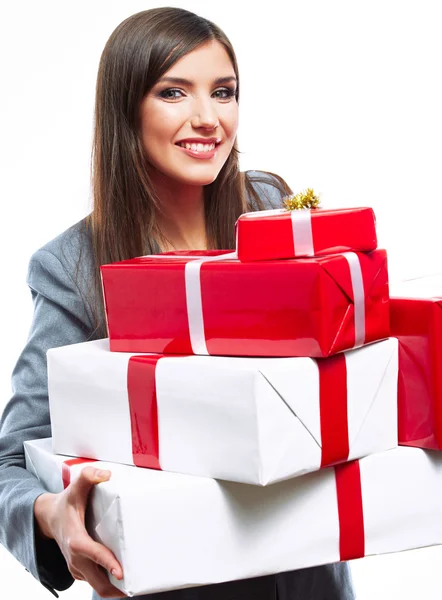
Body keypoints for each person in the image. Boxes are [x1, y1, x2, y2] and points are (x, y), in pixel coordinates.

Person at [0, 7, 355, 600]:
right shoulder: (76, 265)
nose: (208, 119)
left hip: (307, 576)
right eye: (173, 92)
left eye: (223, 92)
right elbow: (11, 457)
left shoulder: (269, 204)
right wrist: (51, 514)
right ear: (126, 109)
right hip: (174, 584)